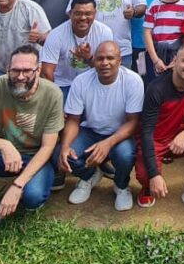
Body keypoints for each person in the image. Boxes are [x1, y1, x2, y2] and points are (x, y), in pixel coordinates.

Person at [0, 44, 64, 246]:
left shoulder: (53, 94)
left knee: (32, 198)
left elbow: (48, 147)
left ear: (38, 70)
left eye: (27, 70)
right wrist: (4, 145)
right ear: (8, 69)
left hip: (36, 157)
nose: (20, 76)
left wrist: (17, 185)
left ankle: (37, 182)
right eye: (15, 70)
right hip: (3, 156)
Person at [58, 41, 144, 212]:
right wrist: (65, 146)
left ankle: (121, 185)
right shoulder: (81, 81)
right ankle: (89, 176)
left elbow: (133, 122)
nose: (105, 63)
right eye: (100, 58)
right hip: (90, 131)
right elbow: (73, 120)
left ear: (120, 61)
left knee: (125, 155)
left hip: (119, 134)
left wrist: (108, 143)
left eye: (111, 58)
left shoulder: (133, 81)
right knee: (67, 155)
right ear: (93, 61)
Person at [135, 43, 184, 214]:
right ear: (175, 61)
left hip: (176, 136)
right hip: (154, 140)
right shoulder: (156, 88)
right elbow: (147, 133)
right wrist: (155, 175)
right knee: (145, 175)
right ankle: (147, 187)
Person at [40, 0, 116, 101]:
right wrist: (54, 99)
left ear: (95, 14)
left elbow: (108, 68)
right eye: (78, 13)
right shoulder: (56, 35)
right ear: (70, 14)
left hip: (92, 83)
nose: (83, 18)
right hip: (63, 85)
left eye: (88, 14)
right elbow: (46, 72)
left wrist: (88, 58)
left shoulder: (104, 32)